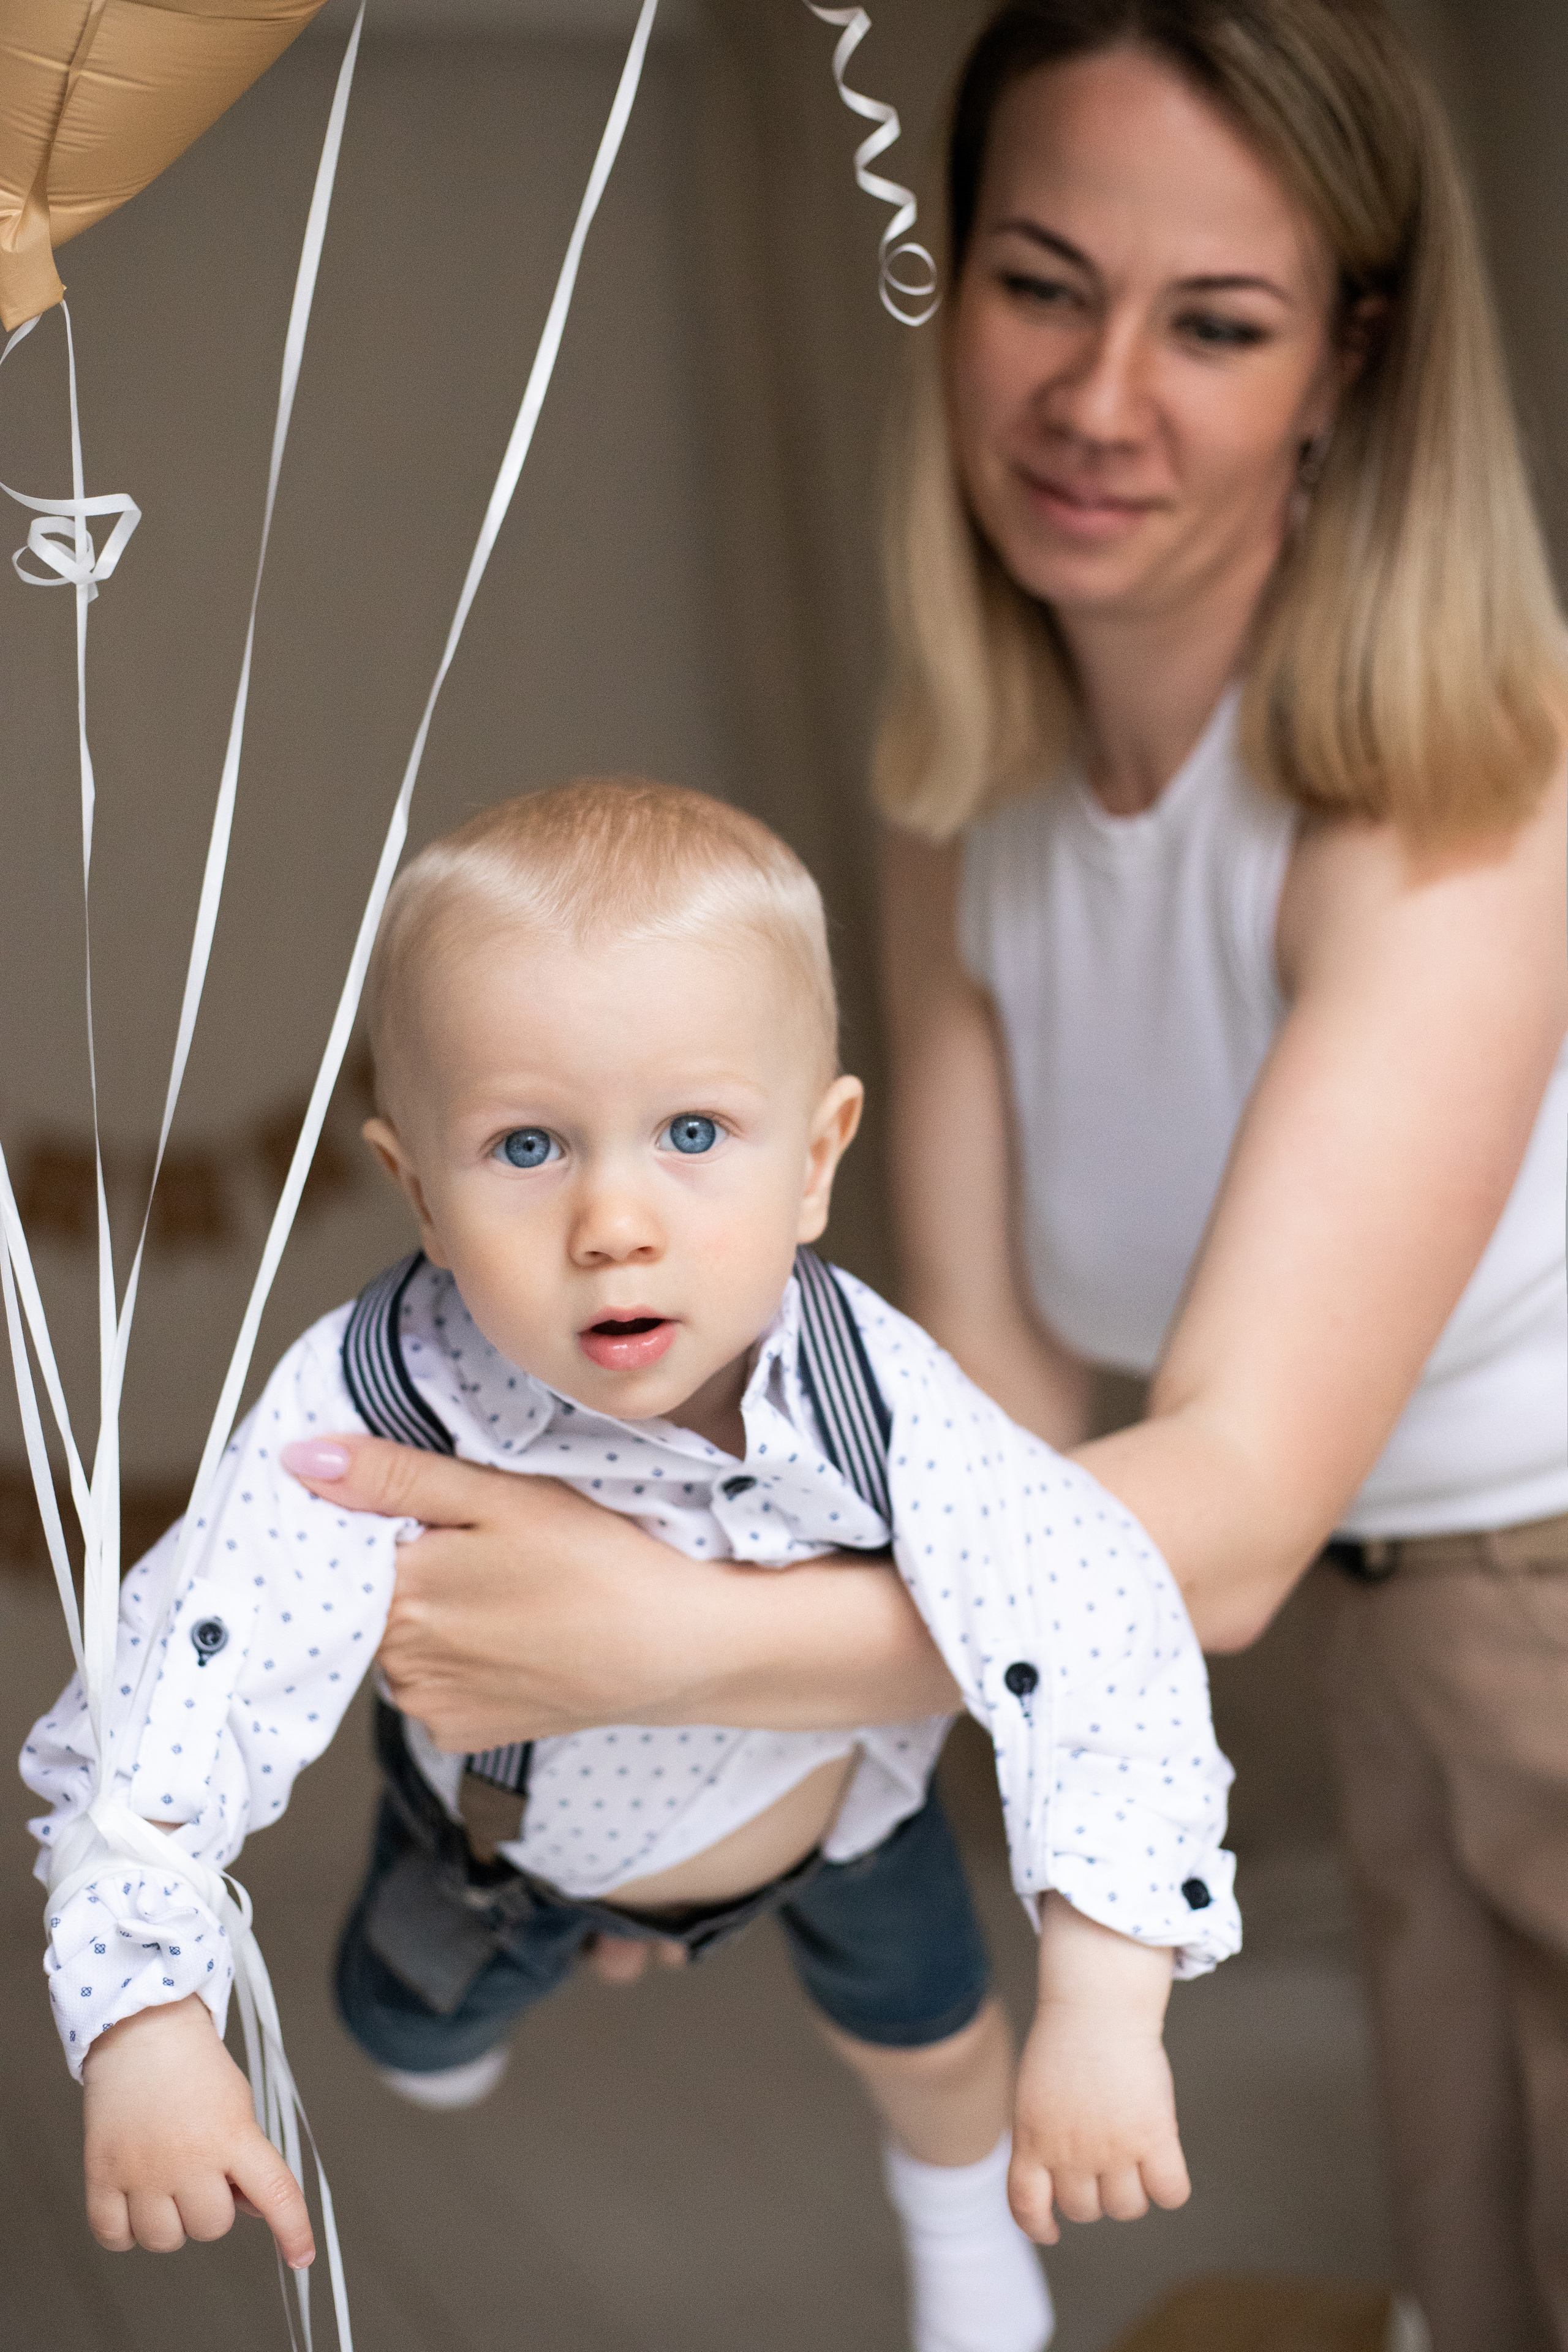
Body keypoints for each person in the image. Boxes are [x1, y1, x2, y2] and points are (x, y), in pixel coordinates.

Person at [274, 8, 1568, 2351]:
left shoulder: (1467, 800)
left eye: (1220, 323)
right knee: (1481, 2286)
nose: (1099, 398)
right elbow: (979, 1408)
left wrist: (679, 1651)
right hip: (1393, 1628)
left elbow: (1239, 1509)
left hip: (1521, 1603)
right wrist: (677, 1806)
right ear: (948, 276)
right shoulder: (964, 770)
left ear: (1352, 364)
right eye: (1043, 282)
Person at [23, 779, 1244, 2352]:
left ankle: (963, 2242)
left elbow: (1098, 1624)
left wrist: (1103, 1998)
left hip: (833, 1818)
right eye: (526, 1145)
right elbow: (184, 1678)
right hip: (511, 1853)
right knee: (400, 2013)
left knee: (940, 2052)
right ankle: (445, 2015)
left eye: (690, 1134)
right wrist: (146, 2024)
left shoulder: (874, 1390)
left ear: (814, 1162)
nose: (613, 1219)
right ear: (418, 1194)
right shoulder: (381, 1396)